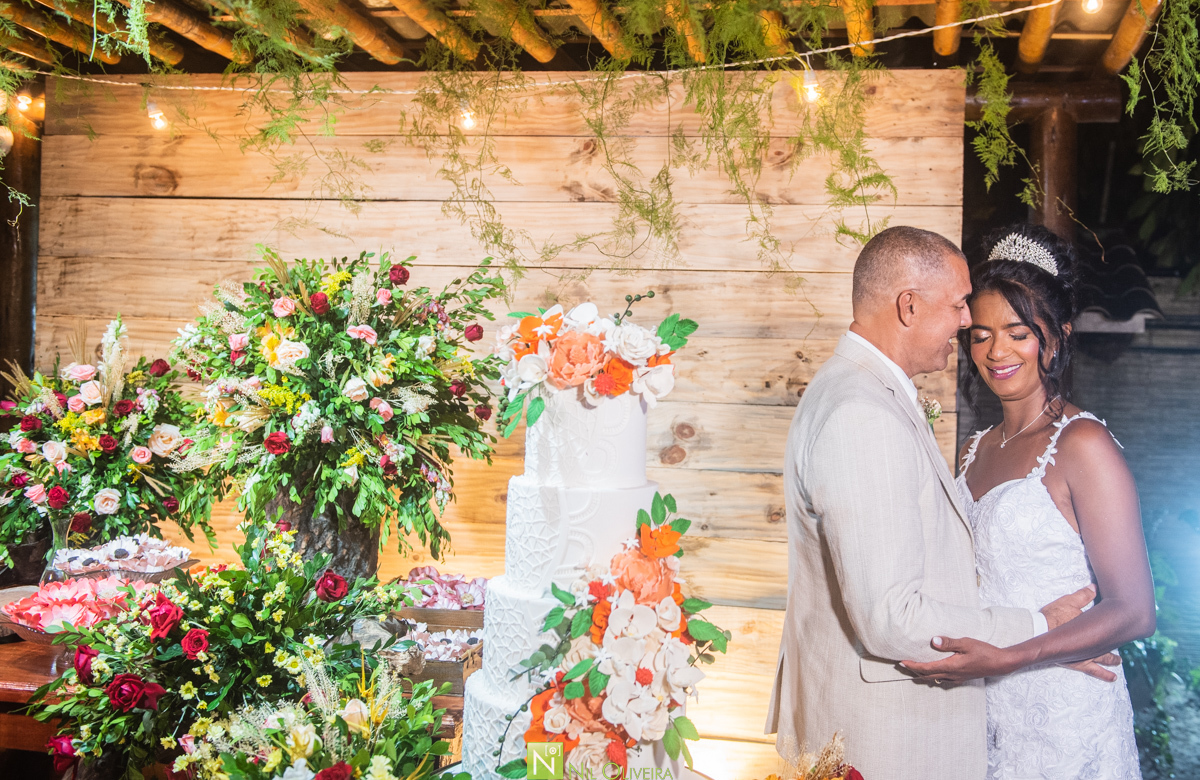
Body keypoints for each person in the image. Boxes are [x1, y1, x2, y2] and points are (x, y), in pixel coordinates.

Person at [764, 226, 1098, 779]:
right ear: (909, 306)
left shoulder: (861, 391)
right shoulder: (861, 413)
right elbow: (892, 618)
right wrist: (1039, 630)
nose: (968, 323)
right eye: (961, 305)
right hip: (884, 736)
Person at [900, 224, 1155, 779]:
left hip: (1066, 710)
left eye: (1019, 333)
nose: (997, 352)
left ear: (1056, 337)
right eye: (982, 334)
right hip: (987, 704)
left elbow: (1134, 609)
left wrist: (1018, 654)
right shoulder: (972, 451)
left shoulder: (1083, 445)